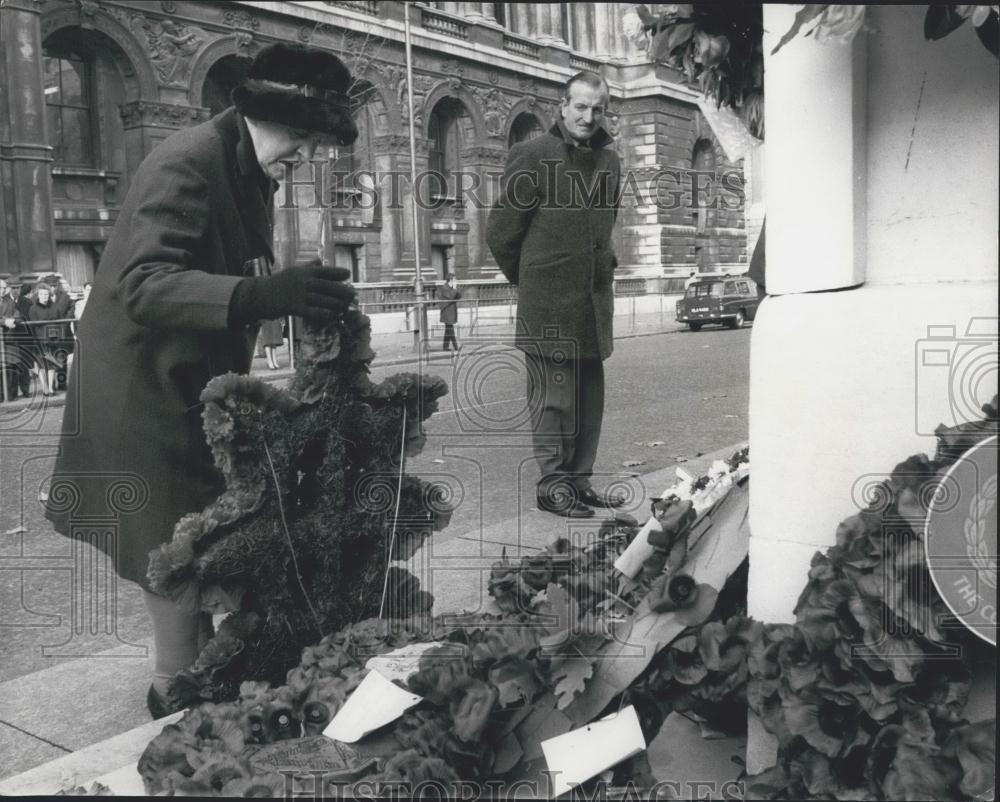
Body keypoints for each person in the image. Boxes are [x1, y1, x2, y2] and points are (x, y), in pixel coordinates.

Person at [46, 42, 359, 719]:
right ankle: (173, 690)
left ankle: (205, 666)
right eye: (303, 135)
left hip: (189, 382)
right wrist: (267, 293)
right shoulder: (188, 161)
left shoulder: (246, 165)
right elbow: (144, 285)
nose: (307, 152)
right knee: (171, 535)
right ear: (266, 112)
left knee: (204, 527)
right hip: (143, 385)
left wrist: (289, 298)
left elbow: (232, 265)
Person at [486, 71, 626, 519]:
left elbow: (602, 231)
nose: (589, 116)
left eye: (598, 108)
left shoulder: (610, 162)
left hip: (592, 301)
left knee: (588, 400)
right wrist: (533, 281)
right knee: (552, 400)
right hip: (548, 301)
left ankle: (580, 481)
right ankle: (553, 487)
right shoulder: (531, 155)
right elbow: (501, 233)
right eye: (580, 106)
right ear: (562, 106)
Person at [27, 284, 62, 396]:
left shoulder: (55, 306)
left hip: (53, 339)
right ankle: (45, 388)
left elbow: (59, 320)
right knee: (42, 365)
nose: (44, 296)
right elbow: (33, 326)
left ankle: (51, 388)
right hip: (40, 340)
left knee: (52, 365)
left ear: (49, 295)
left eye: (46, 294)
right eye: (42, 294)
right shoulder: (33, 309)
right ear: (38, 295)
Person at [1, 279, 27, 401]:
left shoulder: (8, 302)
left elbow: (18, 314)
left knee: (11, 366)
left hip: (9, 339)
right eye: (0, 288)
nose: (2, 291)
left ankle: (10, 395)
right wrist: (4, 321)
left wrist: (12, 320)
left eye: (3, 288)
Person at [438, 275, 461, 352]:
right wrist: (454, 289)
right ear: (450, 280)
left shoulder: (451, 288)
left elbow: (459, 297)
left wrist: (455, 289)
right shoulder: (444, 288)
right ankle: (456, 347)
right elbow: (450, 297)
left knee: (448, 330)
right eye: (455, 280)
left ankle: (445, 347)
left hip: (451, 312)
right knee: (450, 330)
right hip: (447, 312)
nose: (456, 282)